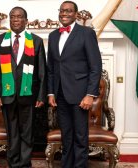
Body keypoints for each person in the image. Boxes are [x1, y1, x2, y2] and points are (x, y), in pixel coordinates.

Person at [47, 1, 102, 168]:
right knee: (67, 136)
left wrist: (90, 94)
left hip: (80, 95)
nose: (64, 13)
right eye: (62, 11)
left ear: (76, 14)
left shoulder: (86, 33)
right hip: (60, 95)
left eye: (69, 11)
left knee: (80, 137)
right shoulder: (53, 35)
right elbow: (51, 67)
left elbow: (95, 67)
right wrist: (51, 92)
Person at [0, 6, 47, 168]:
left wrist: (41, 95)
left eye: (19, 16)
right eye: (12, 17)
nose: (15, 19)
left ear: (26, 21)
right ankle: (13, 163)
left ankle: (25, 163)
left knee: (27, 133)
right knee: (12, 133)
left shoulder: (36, 41)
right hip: (7, 94)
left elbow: (42, 71)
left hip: (28, 95)